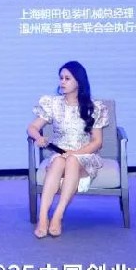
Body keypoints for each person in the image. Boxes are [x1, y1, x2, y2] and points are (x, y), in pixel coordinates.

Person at [26, 61, 109, 238]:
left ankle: (58, 215)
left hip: (84, 155)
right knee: (59, 161)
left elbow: (97, 142)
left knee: (71, 159)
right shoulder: (53, 104)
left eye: (67, 78)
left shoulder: (94, 107)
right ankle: (43, 217)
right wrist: (38, 137)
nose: (62, 82)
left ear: (78, 81)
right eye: (61, 78)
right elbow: (32, 128)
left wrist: (74, 153)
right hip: (59, 153)